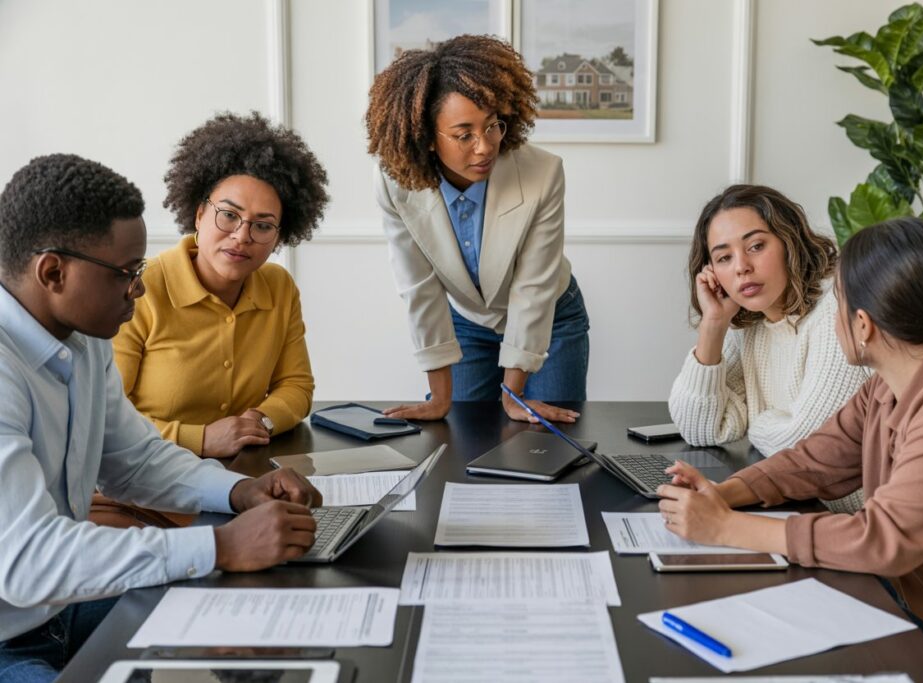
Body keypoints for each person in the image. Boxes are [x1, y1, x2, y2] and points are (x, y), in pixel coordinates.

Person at [0, 154, 322, 683]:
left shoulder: (84, 343)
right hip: (10, 636)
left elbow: (134, 460)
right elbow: (27, 560)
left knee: (253, 620)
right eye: (126, 274)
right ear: (53, 272)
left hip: (60, 611)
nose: (139, 290)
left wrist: (240, 490)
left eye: (140, 271)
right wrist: (220, 544)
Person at [657, 217, 923, 681]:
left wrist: (727, 528)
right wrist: (723, 493)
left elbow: (881, 539)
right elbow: (815, 462)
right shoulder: (888, 386)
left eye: (838, 307)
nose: (833, 321)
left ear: (863, 325)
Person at [366, 34, 589, 424]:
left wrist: (513, 394)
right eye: (463, 134)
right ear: (427, 137)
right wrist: (439, 398)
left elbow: (532, 288)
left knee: (545, 439)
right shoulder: (393, 182)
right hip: (467, 321)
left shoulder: (544, 172)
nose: (485, 147)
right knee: (461, 434)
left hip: (552, 317)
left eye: (492, 127)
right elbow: (419, 287)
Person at [113, 111, 327, 460]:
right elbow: (106, 419)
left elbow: (296, 386)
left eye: (263, 225)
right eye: (228, 215)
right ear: (199, 214)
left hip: (244, 473)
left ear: (278, 237)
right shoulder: (141, 288)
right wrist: (198, 439)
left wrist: (259, 421)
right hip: (144, 479)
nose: (242, 236)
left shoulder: (279, 287)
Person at [668, 184, 866, 511]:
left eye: (756, 246)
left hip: (861, 521)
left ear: (790, 243)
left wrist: (753, 420)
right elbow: (699, 428)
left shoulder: (836, 310)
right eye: (723, 258)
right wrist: (713, 325)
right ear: (712, 272)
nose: (741, 266)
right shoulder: (752, 324)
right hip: (803, 509)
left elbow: (808, 447)